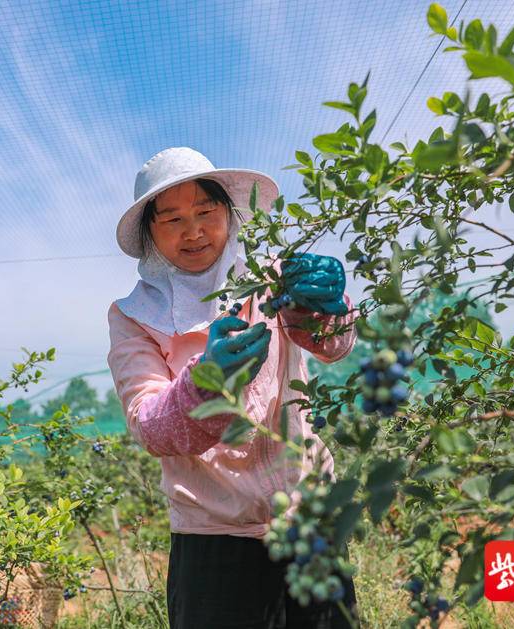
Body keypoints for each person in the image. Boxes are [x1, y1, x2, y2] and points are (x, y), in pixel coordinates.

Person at [107, 147, 359, 628]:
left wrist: (330, 309)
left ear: (229, 214)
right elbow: (149, 425)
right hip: (214, 539)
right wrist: (205, 385)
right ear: (150, 235)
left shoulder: (268, 279)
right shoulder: (132, 316)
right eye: (173, 219)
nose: (194, 231)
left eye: (206, 212)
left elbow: (330, 344)